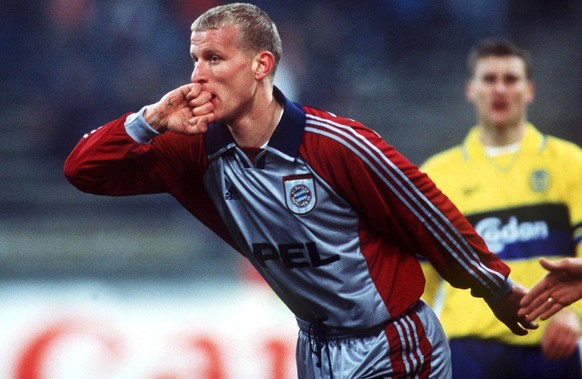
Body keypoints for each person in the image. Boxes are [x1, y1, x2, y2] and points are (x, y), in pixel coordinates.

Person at [64, 5, 537, 378]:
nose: (197, 76)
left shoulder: (336, 144)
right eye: (195, 60)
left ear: (260, 65)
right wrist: (148, 121)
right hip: (314, 347)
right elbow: (84, 170)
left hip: (391, 342)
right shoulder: (193, 151)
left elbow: (427, 214)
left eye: (214, 59)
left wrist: (493, 284)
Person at [420, 38, 582, 379]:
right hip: (469, 350)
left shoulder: (571, 163)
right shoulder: (436, 174)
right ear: (470, 89)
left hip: (551, 346)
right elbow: (421, 277)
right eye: (489, 79)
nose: (500, 89)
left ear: (530, 89)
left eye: (510, 79)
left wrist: (577, 315)